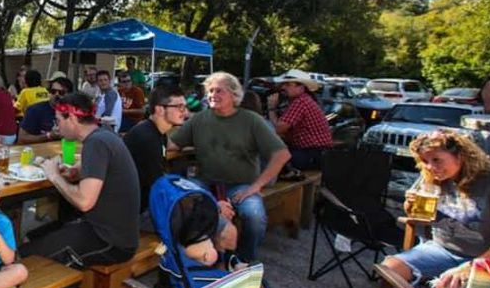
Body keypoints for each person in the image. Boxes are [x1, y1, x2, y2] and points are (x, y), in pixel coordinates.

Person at [167, 72, 290, 261]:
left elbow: (282, 155)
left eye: (219, 91)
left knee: (255, 217)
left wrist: (256, 187)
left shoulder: (251, 120)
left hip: (241, 185)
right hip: (205, 181)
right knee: (186, 200)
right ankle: (198, 257)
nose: (212, 95)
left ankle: (242, 261)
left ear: (234, 95)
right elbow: (173, 145)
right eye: (210, 91)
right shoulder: (199, 119)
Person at [19, 91, 141, 267]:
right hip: (113, 231)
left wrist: (54, 176)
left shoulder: (96, 143)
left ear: (73, 119)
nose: (56, 127)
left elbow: (84, 202)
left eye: (59, 120)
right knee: (34, 235)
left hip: (110, 241)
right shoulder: (104, 135)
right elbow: (98, 173)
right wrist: (75, 172)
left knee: (25, 256)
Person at [123, 85, 238, 254]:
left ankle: (216, 272)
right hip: (143, 212)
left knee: (219, 224)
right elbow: (163, 192)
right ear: (160, 110)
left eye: (185, 107)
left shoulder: (155, 132)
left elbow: (171, 148)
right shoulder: (147, 139)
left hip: (155, 203)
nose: (184, 112)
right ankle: (216, 273)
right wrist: (212, 204)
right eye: (179, 107)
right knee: (227, 232)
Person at [383, 131, 490, 288]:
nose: (429, 166)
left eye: (436, 159)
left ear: (460, 155)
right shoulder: (432, 176)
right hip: (440, 249)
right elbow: (414, 213)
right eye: (425, 161)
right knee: (390, 270)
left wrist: (475, 266)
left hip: (482, 257)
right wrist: (410, 204)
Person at [267, 69, 333, 170]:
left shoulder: (300, 102)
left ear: (301, 87)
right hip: (318, 154)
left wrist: (271, 108)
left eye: (288, 84)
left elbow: (278, 129)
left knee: (271, 160)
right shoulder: (304, 100)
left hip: (312, 154)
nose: (283, 87)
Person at [18, 76, 72, 144]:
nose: (56, 95)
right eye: (53, 91)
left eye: (61, 93)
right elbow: (22, 138)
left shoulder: (74, 111)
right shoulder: (35, 110)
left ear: (69, 95)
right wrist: (48, 136)